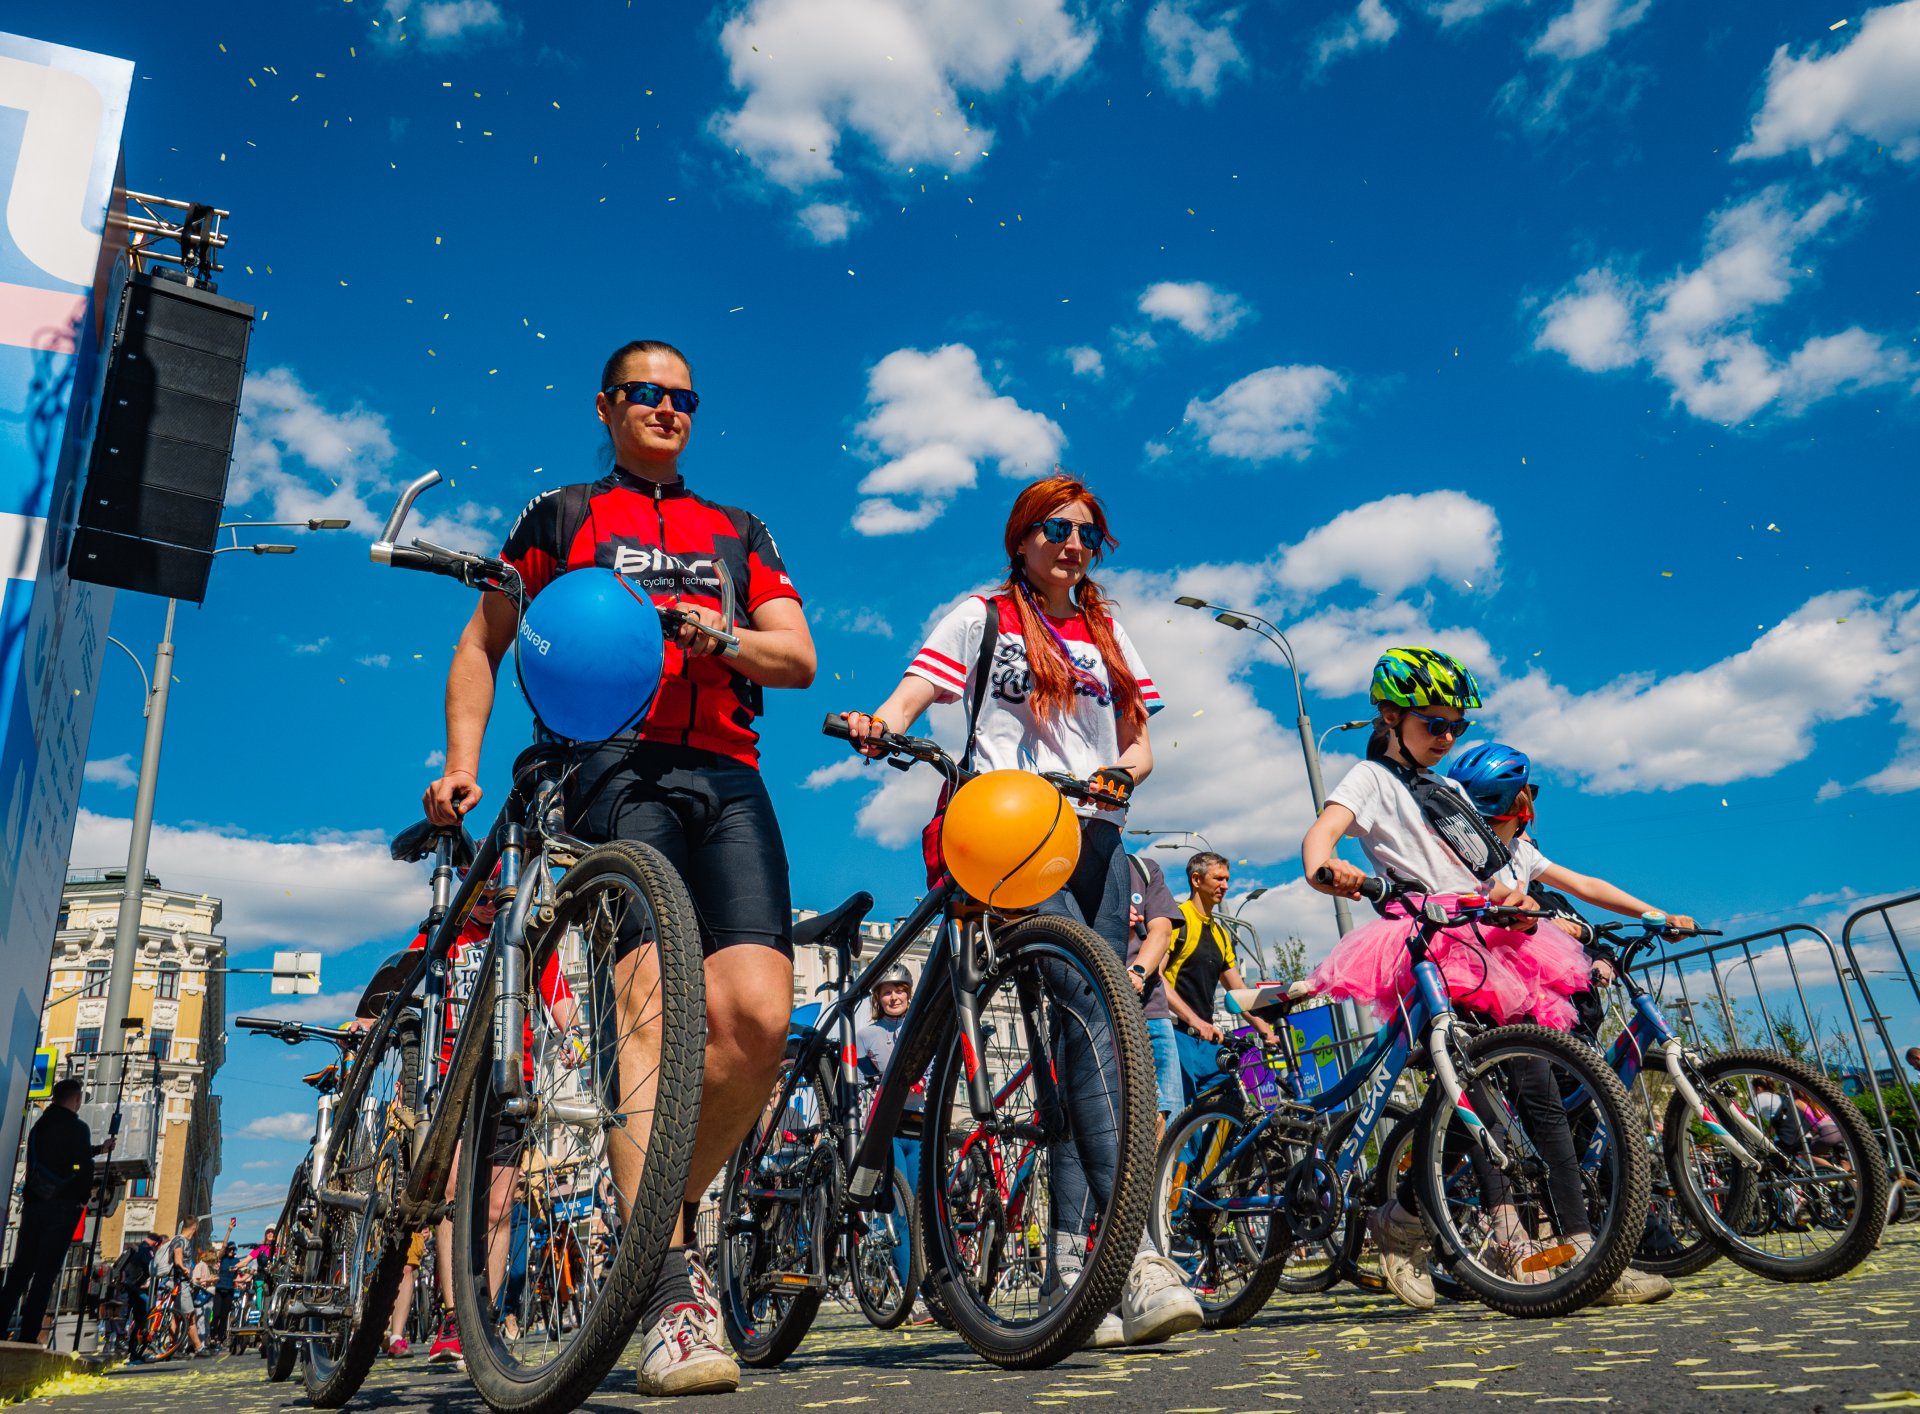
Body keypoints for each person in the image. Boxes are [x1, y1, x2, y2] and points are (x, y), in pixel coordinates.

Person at [423, 338, 814, 1397]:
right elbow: (482, 643)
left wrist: (721, 635)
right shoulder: (559, 516)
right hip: (611, 763)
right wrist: (460, 766)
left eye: (685, 397)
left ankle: (645, 1224)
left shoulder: (736, 528)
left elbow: (799, 654)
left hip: (727, 773)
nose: (667, 409)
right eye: (645, 393)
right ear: (605, 406)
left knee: (759, 1019)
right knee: (650, 1005)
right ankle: (672, 1290)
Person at [842, 472, 1200, 1351]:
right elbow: (917, 694)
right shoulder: (981, 615)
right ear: (1020, 538)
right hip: (1008, 827)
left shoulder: (1107, 630)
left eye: (1086, 531)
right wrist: (879, 725)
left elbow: (1140, 736)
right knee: (1088, 1010)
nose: (1071, 544)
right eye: (1054, 529)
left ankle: (1078, 1266)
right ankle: (1141, 1254)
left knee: (1084, 1041)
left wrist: (1128, 771)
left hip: (1098, 832)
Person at [1303, 647, 1638, 1312]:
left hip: (1489, 945)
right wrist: (1327, 868)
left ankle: (1585, 1252)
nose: (1448, 737)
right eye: (1435, 724)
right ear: (1392, 718)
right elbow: (1323, 836)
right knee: (1478, 1097)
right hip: (1425, 944)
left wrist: (1513, 895)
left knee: (1538, 1088)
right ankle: (1513, 1252)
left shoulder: (1451, 791)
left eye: (1457, 725)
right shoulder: (1369, 780)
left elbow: (1489, 870)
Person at [0, 1078, 112, 1345]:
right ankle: (28, 1336)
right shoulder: (77, 1127)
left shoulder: (39, 1126)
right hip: (61, 1208)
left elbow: (58, 1157)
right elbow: (80, 1165)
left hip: (34, 1203)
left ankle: (1, 1324)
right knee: (45, 1275)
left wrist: (97, 1149)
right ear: (77, 1100)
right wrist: (84, 1197)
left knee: (20, 1270)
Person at [1163, 852, 1276, 1104]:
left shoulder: (1220, 934)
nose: (1225, 886)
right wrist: (1194, 1021)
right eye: (1218, 879)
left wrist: (1266, 1030)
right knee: (1185, 1121)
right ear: (1196, 879)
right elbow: (1156, 978)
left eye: (1227, 879)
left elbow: (1238, 992)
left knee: (1236, 1102)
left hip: (1206, 1039)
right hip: (1176, 1034)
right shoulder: (1176, 921)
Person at [855, 963, 924, 1305]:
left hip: (922, 1127)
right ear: (877, 998)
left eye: (900, 990)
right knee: (901, 1209)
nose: (894, 996)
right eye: (887, 991)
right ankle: (915, 1293)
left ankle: (936, 1287)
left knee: (924, 1210)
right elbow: (859, 1079)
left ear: (909, 994)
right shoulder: (867, 1034)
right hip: (890, 1129)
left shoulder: (924, 1027)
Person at [1124, 854, 1184, 1141]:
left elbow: (1162, 931)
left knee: (1171, 1113)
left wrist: (1137, 972)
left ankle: (1163, 1183)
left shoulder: (1142, 869)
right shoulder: (1073, 865)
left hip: (1151, 1007)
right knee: (1136, 1114)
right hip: (1105, 1010)